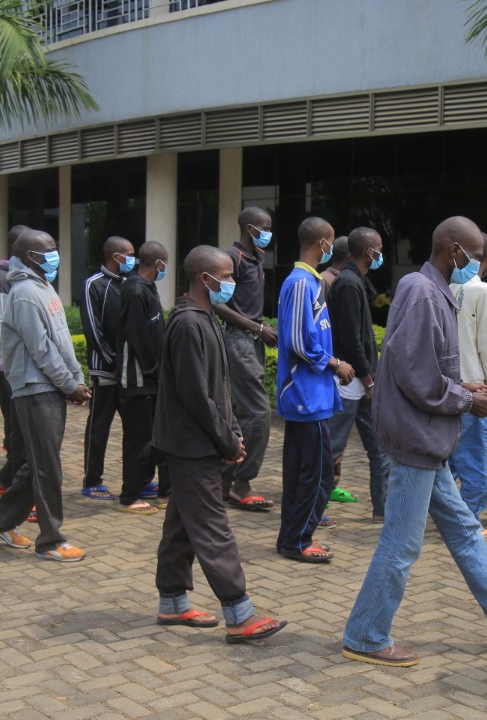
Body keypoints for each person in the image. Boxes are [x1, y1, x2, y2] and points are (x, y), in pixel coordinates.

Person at [341, 216, 487, 667]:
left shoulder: (434, 290)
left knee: (465, 530)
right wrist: (464, 400)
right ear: (454, 251)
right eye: (475, 255)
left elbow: (426, 364)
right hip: (417, 439)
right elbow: (415, 374)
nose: (478, 263)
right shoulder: (422, 292)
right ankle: (365, 634)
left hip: (428, 439)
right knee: (401, 543)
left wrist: (468, 388)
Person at [153, 244, 287, 643]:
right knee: (213, 527)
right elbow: (196, 395)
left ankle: (173, 600)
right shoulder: (187, 324)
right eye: (226, 277)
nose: (232, 283)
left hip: (201, 441)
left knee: (182, 523)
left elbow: (219, 388)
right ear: (204, 279)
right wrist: (226, 439)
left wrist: (233, 433)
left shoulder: (206, 318)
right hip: (190, 443)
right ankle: (239, 613)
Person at [0, 231, 91, 562]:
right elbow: (41, 349)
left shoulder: (44, 287)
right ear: (31, 257)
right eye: (49, 252)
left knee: (36, 465)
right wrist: (68, 384)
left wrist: (75, 380)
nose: (55, 256)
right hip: (34, 390)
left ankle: (1, 522)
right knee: (47, 469)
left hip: (50, 387)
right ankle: (51, 540)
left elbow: (62, 343)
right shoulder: (25, 293)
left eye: (55, 249)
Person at [275, 217, 354, 562]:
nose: (332, 248)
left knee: (304, 474)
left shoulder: (311, 282)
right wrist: (335, 363)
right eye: (331, 242)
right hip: (306, 396)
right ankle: (299, 541)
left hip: (315, 395)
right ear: (323, 243)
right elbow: (295, 341)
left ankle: (292, 538)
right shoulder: (300, 283)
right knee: (318, 477)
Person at [326, 227, 391, 526]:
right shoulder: (348, 284)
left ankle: (383, 510)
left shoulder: (357, 282)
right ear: (369, 252)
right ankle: (311, 510)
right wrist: (369, 380)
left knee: (380, 451)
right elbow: (351, 339)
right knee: (331, 450)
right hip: (351, 384)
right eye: (379, 249)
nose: (381, 255)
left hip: (363, 383)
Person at [213, 207, 277, 510]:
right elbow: (217, 304)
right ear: (249, 228)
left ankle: (226, 482)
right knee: (260, 414)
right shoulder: (233, 258)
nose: (268, 233)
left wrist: (262, 328)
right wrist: (257, 327)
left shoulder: (257, 258)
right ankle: (242, 482)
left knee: (241, 412)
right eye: (264, 227)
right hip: (239, 339)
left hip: (253, 341)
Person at [448, 232, 487, 543]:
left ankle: (453, 517)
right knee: (479, 464)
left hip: (447, 389)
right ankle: (466, 524)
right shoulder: (484, 292)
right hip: (476, 390)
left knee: (452, 461)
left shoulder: (445, 287)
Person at [79, 236, 136, 501]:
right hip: (106, 371)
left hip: (129, 373)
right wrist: (113, 362)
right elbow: (93, 330)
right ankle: (92, 480)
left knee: (135, 429)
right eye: (130, 254)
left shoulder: (129, 284)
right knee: (99, 426)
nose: (133, 259)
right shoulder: (94, 285)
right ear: (116, 257)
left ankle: (135, 480)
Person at [116, 241, 170, 514]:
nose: (166, 269)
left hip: (152, 380)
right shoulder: (136, 290)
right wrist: (152, 371)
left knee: (156, 437)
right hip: (137, 380)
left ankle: (160, 490)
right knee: (138, 439)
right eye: (166, 263)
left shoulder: (148, 288)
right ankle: (129, 496)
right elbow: (137, 336)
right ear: (158, 263)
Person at [0, 224, 29, 497]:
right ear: (17, 249)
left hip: (23, 367)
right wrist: (28, 336)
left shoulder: (25, 277)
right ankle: (9, 484)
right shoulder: (2, 280)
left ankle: (8, 480)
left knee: (20, 431)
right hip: (11, 366)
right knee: (17, 432)